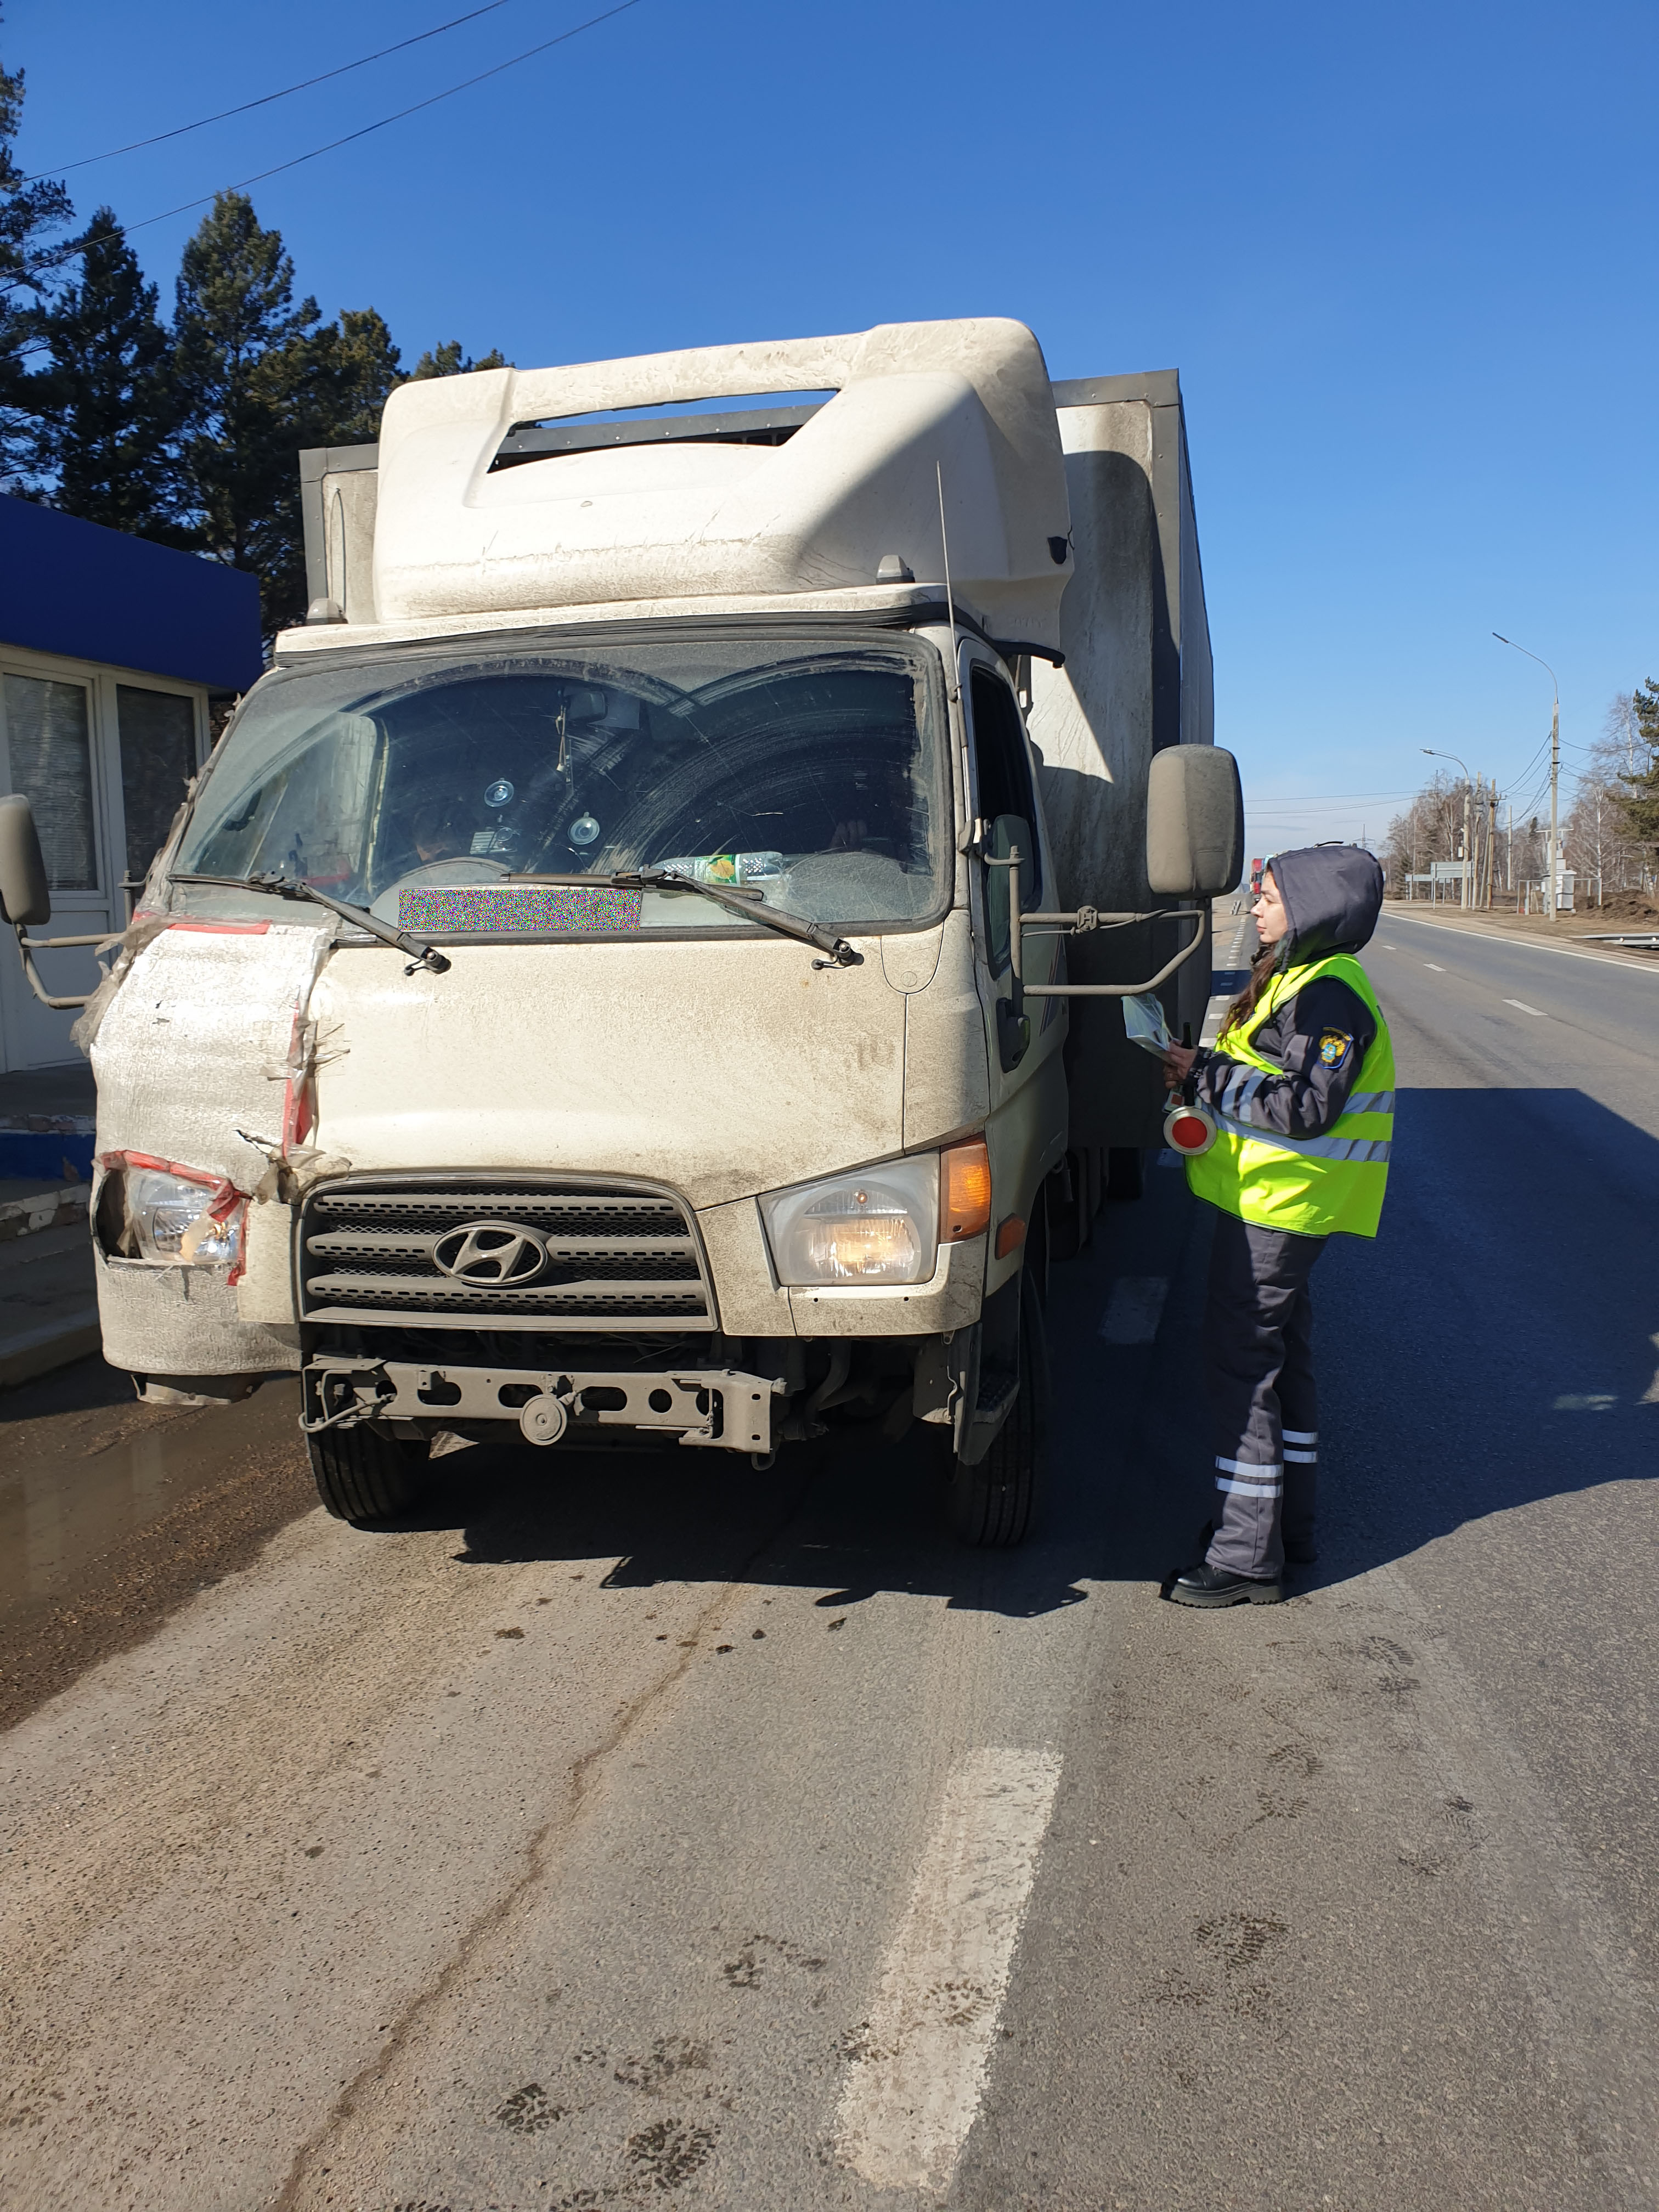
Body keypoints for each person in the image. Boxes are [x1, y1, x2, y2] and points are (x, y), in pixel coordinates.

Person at [1159, 844, 1394, 1606]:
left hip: (1281, 1209)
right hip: (1273, 1205)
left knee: (1242, 1369)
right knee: (1280, 1363)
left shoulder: (1332, 994)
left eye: (1267, 898)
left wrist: (1204, 1074)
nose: (1254, 909)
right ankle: (1286, 1531)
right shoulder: (1301, 980)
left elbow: (1303, 1107)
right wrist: (1203, 1068)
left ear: (1315, 906)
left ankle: (1244, 1556)